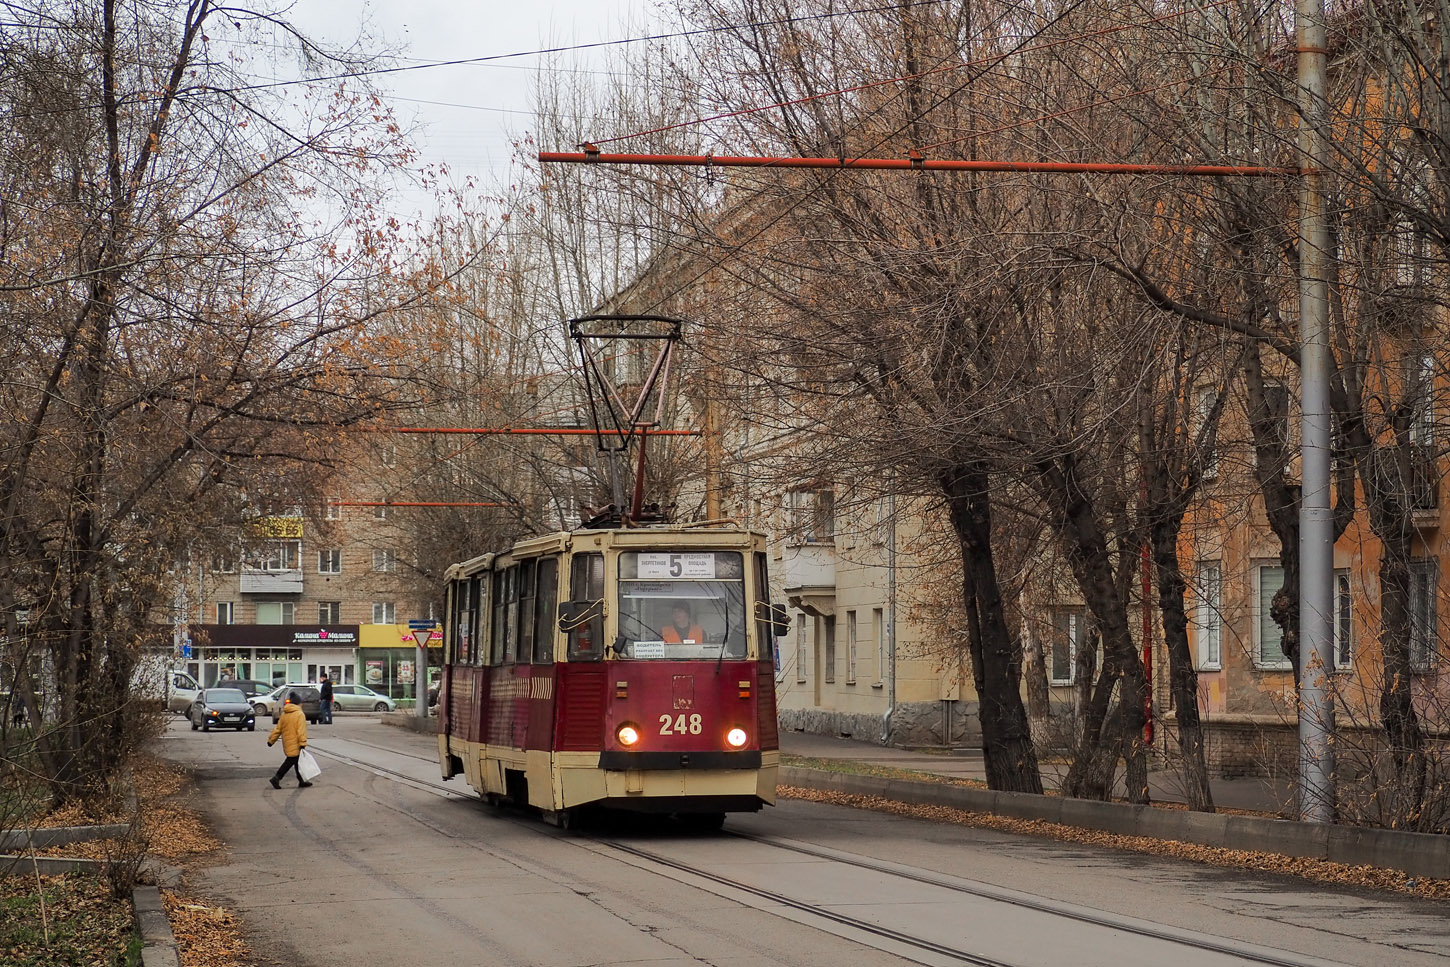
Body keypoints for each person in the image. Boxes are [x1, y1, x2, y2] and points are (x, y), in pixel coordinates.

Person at [266, 691, 312, 789]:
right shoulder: (299, 714)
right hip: (296, 743)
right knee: (291, 761)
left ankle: (301, 780)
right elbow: (301, 731)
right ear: (298, 703)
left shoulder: (284, 714)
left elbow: (278, 729)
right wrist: (303, 743)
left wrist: (271, 740)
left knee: (297, 761)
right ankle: (276, 778)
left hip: (287, 742)